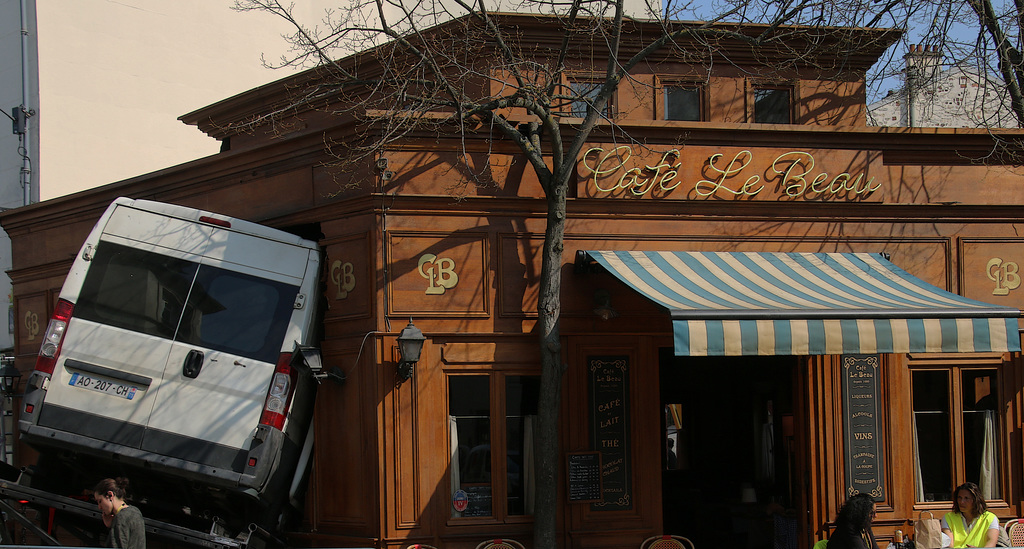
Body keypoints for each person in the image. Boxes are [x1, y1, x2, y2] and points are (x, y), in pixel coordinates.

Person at [93, 477, 146, 549]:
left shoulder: (121, 517)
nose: (99, 507)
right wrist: (112, 526)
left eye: (100, 501)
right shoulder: (135, 512)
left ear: (110, 495)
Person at [941, 482, 999, 548]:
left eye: (966, 498)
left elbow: (991, 542)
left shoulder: (990, 518)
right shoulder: (948, 518)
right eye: (959, 498)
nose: (962, 502)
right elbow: (949, 545)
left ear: (976, 500)